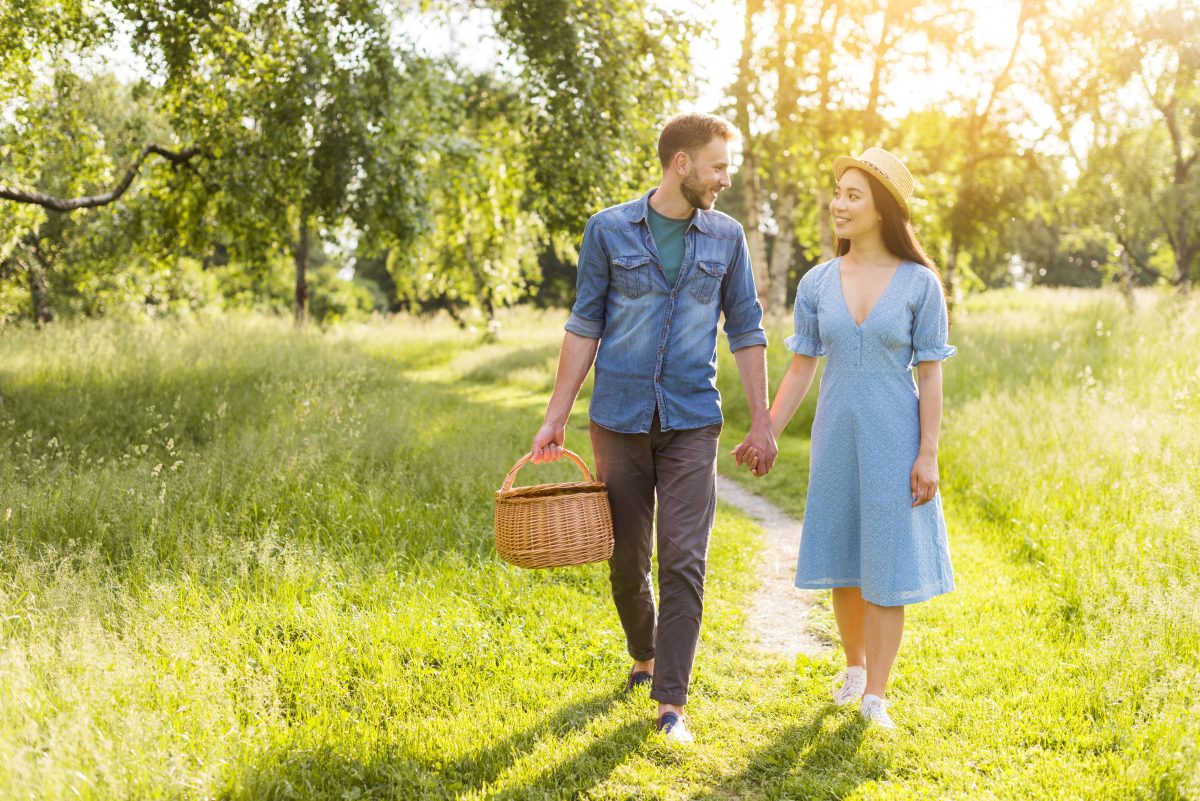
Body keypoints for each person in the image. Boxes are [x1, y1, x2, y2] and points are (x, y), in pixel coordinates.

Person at [529, 112, 777, 744]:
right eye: (719, 166)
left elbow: (746, 328)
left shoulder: (727, 238)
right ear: (682, 164)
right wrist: (557, 416)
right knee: (628, 560)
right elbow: (585, 323)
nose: (726, 179)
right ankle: (643, 654)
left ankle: (671, 702)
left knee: (684, 560)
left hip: (694, 419)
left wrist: (764, 421)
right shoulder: (609, 230)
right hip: (618, 419)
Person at [737, 147, 956, 729]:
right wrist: (766, 431)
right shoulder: (817, 282)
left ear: (882, 208)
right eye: (837, 192)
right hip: (836, 434)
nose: (839, 203)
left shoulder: (919, 284)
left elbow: (930, 372)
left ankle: (876, 697)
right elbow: (802, 366)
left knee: (886, 560)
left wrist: (927, 452)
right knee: (844, 554)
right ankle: (854, 668)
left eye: (853, 195)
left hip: (895, 435)